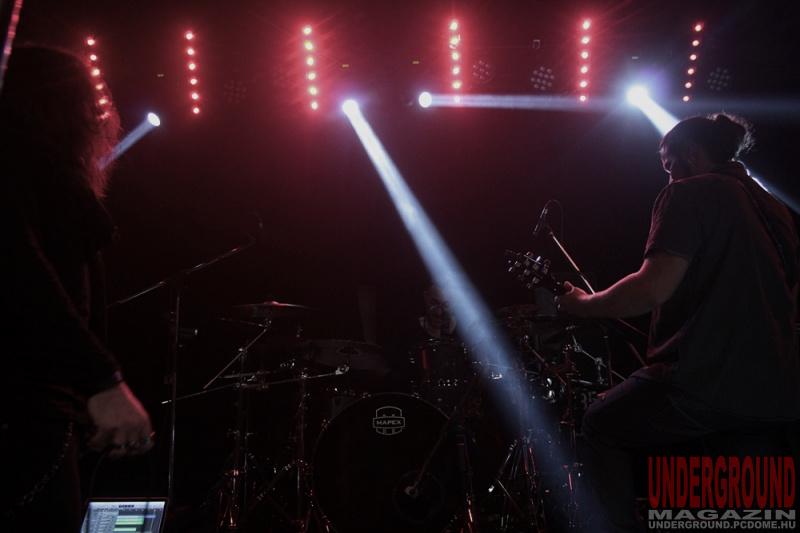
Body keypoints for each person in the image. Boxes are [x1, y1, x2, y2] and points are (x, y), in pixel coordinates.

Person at [555, 113, 800, 532]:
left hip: (708, 380)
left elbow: (652, 289)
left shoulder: (689, 192)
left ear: (689, 153)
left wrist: (583, 304)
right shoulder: (774, 208)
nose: (668, 177)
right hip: (777, 390)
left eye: (669, 165)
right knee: (752, 512)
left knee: (601, 424)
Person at [0, 45, 154, 531]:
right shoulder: (18, 164)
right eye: (90, 98)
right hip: (23, 412)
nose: (100, 113)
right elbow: (24, 275)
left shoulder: (36, 174)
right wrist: (101, 381)